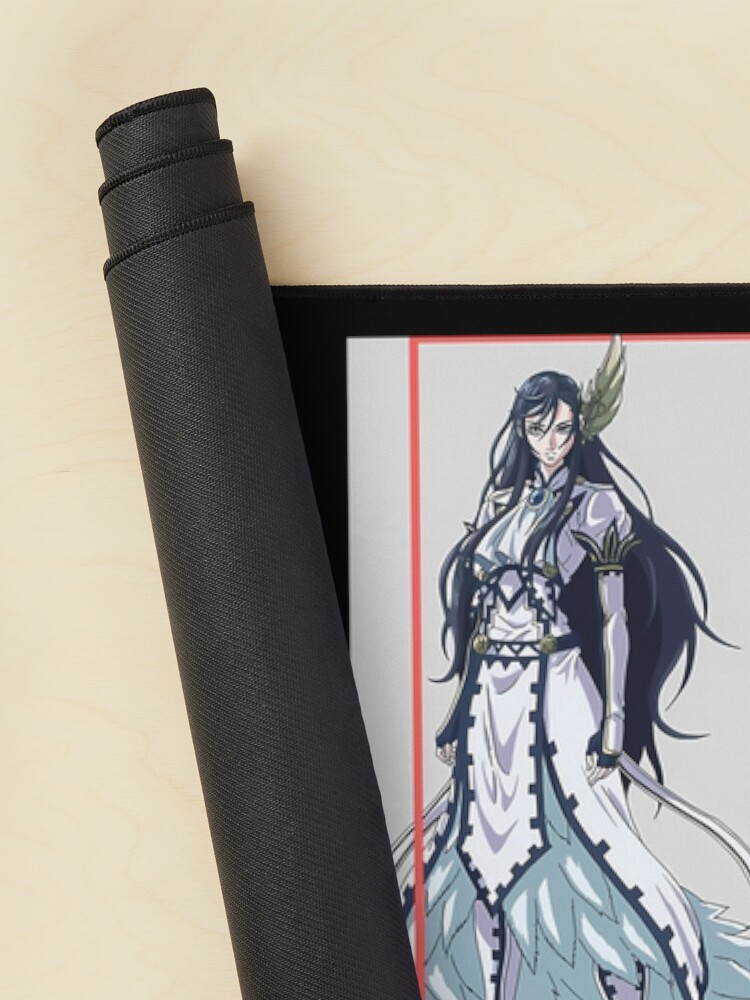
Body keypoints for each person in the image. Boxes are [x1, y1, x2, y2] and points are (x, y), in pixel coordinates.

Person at [392, 337, 750, 1000]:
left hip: (558, 692)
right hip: (491, 699)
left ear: (579, 429)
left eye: (562, 429)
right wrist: (453, 716)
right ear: (521, 430)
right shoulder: (502, 506)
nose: (551, 442)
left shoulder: (595, 506)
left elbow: (613, 621)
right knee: (474, 849)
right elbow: (477, 628)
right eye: (539, 429)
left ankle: (629, 980)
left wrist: (613, 724)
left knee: (588, 844)